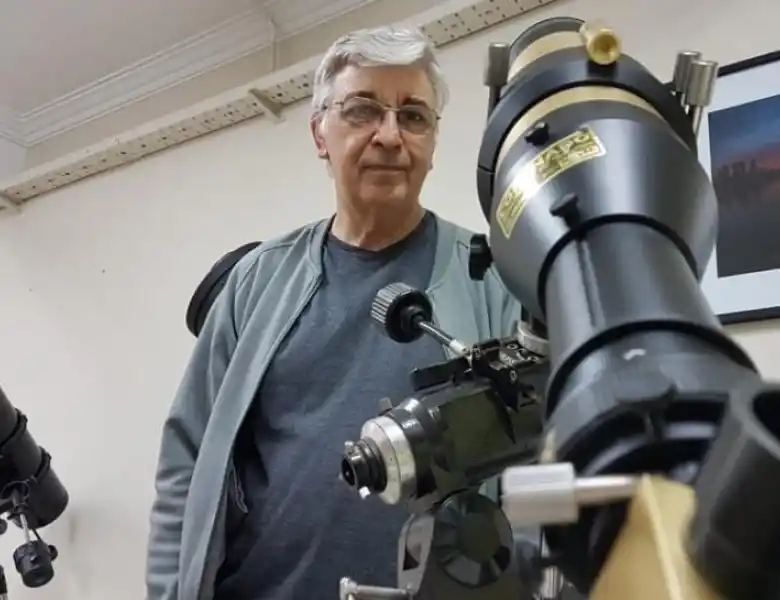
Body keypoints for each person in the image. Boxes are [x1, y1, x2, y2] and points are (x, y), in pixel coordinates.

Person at [145, 24, 520, 600]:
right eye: (363, 110)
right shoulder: (257, 281)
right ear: (320, 132)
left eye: (413, 116)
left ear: (433, 142)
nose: (390, 136)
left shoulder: (492, 279)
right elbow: (186, 463)